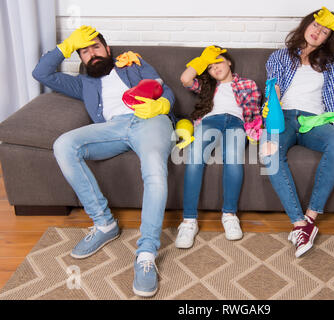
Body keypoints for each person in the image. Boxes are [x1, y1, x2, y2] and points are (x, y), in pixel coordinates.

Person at [32, 25, 176, 297]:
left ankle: (146, 254)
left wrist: (162, 106)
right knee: (63, 145)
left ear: (107, 50)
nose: (92, 54)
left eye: (96, 47)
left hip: (149, 120)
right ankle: (105, 224)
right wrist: (65, 46)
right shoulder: (83, 83)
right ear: (81, 59)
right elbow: (41, 73)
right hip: (113, 129)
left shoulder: (133, 64)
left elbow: (163, 88)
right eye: (84, 51)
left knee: (155, 168)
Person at [260, 7, 334, 257]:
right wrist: (271, 105)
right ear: (305, 26)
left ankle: (310, 218)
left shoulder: (332, 60)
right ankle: (299, 224)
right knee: (268, 154)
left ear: (328, 38)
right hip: (284, 116)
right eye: (315, 26)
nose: (318, 32)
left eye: (325, 31)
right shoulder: (279, 56)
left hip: (315, 120)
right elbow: (275, 86)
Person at [175, 45, 262, 249]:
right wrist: (202, 60)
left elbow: (254, 111)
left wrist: (255, 130)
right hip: (209, 122)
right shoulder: (207, 87)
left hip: (236, 122)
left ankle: (229, 215)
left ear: (229, 62)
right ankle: (189, 221)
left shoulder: (247, 83)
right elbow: (185, 79)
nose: (215, 68)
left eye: (219, 62)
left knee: (232, 158)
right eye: (211, 66)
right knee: (195, 157)